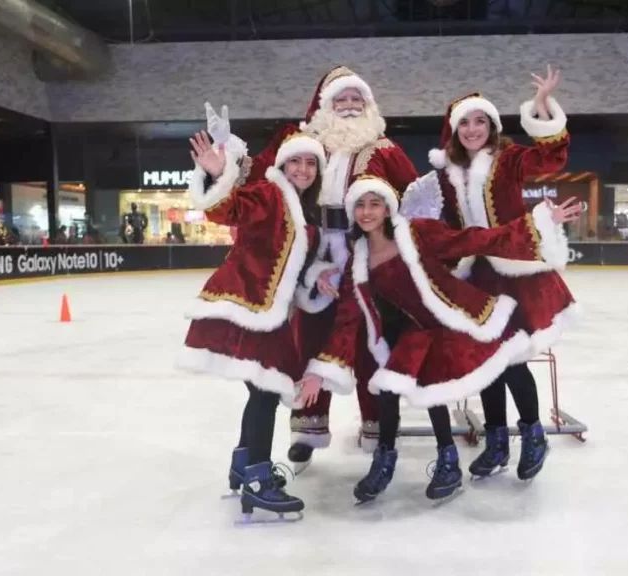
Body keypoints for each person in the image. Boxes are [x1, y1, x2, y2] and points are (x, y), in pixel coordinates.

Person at [297, 176, 582, 502]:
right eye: (360, 205)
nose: (366, 212)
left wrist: (540, 223)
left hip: (462, 316)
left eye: (374, 203)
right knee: (391, 387)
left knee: (509, 363)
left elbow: (475, 240)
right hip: (420, 330)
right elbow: (347, 321)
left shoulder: (417, 232)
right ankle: (391, 461)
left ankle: (528, 438)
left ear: (388, 208)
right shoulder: (357, 262)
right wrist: (319, 371)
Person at [224, 66, 420, 470]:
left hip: (365, 256)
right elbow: (260, 176)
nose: (349, 107)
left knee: (371, 344)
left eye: (356, 100)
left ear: (369, 105)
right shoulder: (304, 145)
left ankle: (378, 429)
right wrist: (228, 155)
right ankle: (308, 429)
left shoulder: (385, 150)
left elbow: (415, 200)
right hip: (313, 257)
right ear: (324, 105)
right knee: (309, 339)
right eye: (340, 100)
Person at [399, 65, 575, 480]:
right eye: (465, 122)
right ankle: (497, 439)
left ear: (493, 127)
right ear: (454, 130)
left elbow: (550, 157)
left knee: (512, 359)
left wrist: (543, 109)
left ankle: (532, 434)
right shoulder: (444, 176)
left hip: (516, 272)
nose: (473, 129)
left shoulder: (509, 159)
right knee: (485, 360)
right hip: (475, 276)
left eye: (481, 121)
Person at [176, 119, 331, 521]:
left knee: (261, 393)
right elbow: (228, 209)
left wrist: (320, 277)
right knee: (265, 392)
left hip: (269, 312)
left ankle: (245, 465)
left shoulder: (305, 211)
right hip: (244, 305)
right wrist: (217, 173)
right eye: (295, 161)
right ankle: (258, 480)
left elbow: (298, 270)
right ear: (282, 165)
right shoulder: (269, 193)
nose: (302, 169)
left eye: (310, 164)